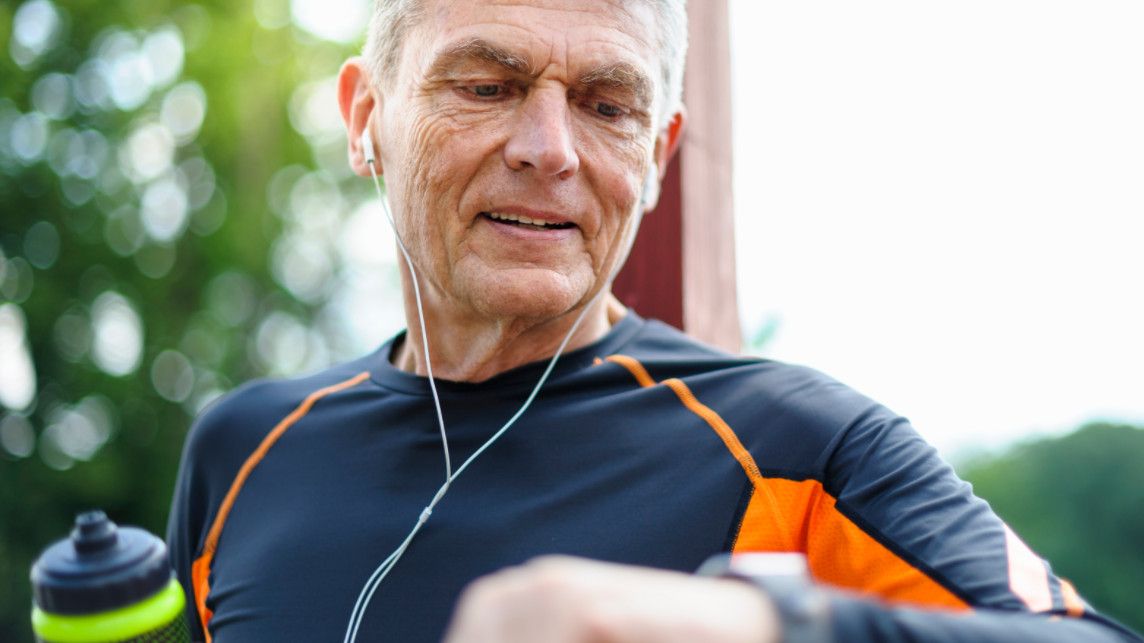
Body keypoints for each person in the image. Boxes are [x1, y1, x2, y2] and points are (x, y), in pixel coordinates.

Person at [165, 1, 1143, 642]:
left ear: (660, 152)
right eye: (486, 86)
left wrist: (750, 622)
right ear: (365, 115)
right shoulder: (240, 449)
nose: (549, 149)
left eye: (606, 105)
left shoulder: (797, 444)